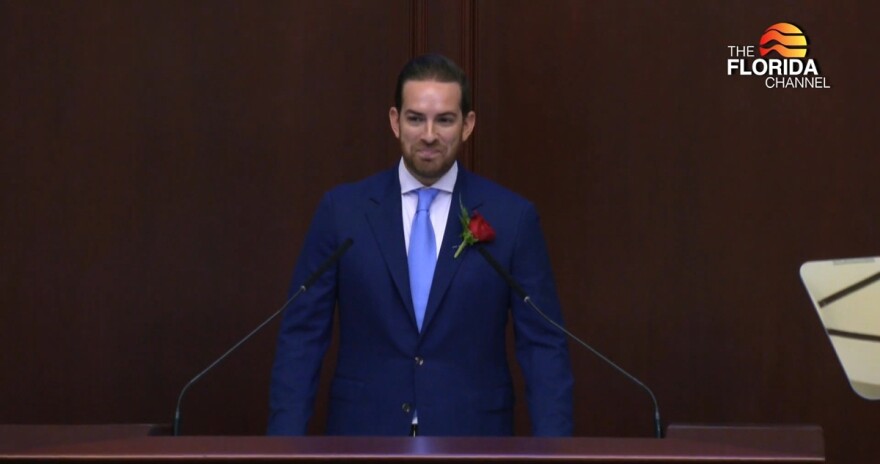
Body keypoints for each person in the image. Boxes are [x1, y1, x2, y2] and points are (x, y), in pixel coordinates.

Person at [268, 54, 573, 437]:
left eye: (444, 119)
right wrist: (282, 447)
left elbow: (543, 346)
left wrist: (557, 452)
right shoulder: (342, 212)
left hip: (473, 437)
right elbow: (302, 336)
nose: (429, 134)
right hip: (365, 437)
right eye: (416, 118)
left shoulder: (513, 218)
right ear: (395, 121)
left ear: (468, 125)